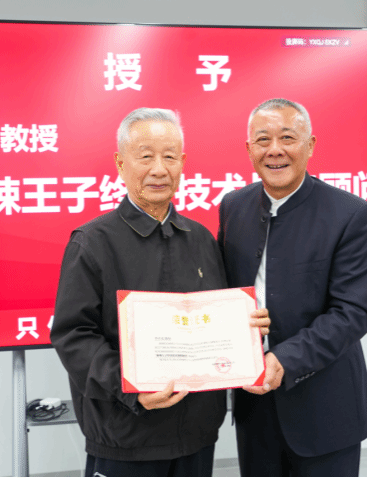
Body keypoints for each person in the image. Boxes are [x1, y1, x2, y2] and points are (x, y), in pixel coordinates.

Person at [51, 107, 269, 477]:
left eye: (169, 157)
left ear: (182, 164)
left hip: (197, 433)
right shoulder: (93, 242)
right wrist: (131, 389)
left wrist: (247, 328)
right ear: (121, 164)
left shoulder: (201, 239)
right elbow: (73, 335)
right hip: (125, 435)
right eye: (146, 156)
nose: (159, 169)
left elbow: (217, 321)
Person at [218, 98, 367, 477]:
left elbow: (352, 313)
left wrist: (284, 360)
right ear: (249, 149)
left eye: (287, 138)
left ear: (310, 145)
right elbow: (224, 293)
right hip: (254, 406)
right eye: (263, 140)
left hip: (325, 407)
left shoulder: (351, 214)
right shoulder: (233, 206)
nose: (274, 150)